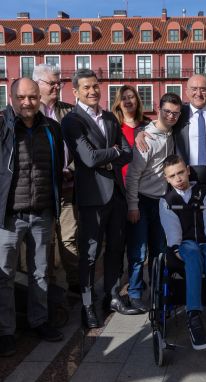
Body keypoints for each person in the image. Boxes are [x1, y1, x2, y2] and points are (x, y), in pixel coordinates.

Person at [62, 69, 135, 329]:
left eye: (95, 86)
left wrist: (109, 155)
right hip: (92, 197)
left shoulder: (109, 118)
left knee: (117, 248)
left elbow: (127, 153)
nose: (92, 91)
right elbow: (87, 158)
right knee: (90, 254)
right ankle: (87, 305)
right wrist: (112, 153)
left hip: (115, 192)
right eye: (86, 87)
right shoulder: (72, 121)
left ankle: (112, 295)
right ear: (76, 92)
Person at [0, 78, 64, 357]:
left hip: (41, 212)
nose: (27, 102)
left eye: (32, 97)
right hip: (9, 216)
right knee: (4, 275)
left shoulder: (51, 128)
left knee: (41, 272)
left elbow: (58, 164)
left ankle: (39, 321)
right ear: (11, 97)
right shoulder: (3, 125)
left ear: (39, 98)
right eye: (22, 97)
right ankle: (5, 331)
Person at [159, 154, 206, 362]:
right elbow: (171, 228)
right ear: (167, 179)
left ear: (188, 170)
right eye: (172, 176)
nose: (178, 178)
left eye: (181, 172)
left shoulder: (205, 192)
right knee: (192, 254)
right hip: (185, 243)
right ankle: (194, 317)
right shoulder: (167, 201)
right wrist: (175, 247)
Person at [125, 93, 182, 313]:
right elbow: (132, 176)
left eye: (175, 113)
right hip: (142, 200)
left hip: (161, 201)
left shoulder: (171, 134)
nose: (171, 116)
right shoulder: (147, 137)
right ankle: (135, 293)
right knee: (138, 252)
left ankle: (159, 291)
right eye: (167, 111)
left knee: (160, 249)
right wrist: (132, 205)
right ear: (158, 108)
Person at [34, 64, 79, 307]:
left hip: (67, 187)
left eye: (58, 83)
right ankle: (49, 289)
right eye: (51, 83)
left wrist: (69, 170)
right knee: (45, 241)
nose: (56, 87)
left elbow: (80, 151)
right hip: (41, 191)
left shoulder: (69, 113)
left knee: (69, 237)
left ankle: (74, 284)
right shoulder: (29, 113)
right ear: (38, 84)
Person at [111, 85, 149, 180]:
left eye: (131, 97)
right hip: (121, 182)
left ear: (137, 100)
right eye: (123, 98)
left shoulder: (148, 125)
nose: (128, 101)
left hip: (145, 182)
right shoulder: (113, 126)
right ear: (118, 103)